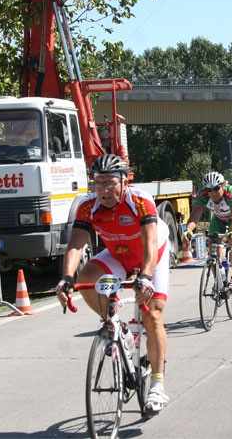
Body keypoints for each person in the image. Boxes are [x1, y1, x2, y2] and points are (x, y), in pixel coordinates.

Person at [56, 154, 171, 414]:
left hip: (151, 254)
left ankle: (157, 384)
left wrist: (146, 276)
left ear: (124, 182)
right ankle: (117, 327)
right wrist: (66, 278)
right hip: (118, 254)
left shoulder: (140, 201)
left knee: (152, 314)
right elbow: (76, 244)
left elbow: (151, 243)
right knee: (86, 276)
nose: (104, 190)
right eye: (98, 183)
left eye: (110, 183)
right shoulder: (87, 206)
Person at [183, 171, 232, 293]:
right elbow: (195, 216)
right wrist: (188, 230)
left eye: (216, 188)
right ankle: (218, 278)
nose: (213, 192)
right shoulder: (202, 194)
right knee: (211, 242)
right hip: (219, 216)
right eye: (209, 189)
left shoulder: (230, 193)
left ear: (223, 186)